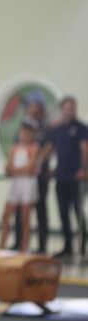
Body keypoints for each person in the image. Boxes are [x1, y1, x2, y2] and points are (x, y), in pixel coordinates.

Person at [43, 96, 88, 259]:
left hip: (77, 178)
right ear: (62, 109)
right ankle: (67, 246)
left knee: (78, 212)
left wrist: (83, 169)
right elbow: (49, 150)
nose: (71, 111)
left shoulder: (81, 128)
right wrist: (41, 166)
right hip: (61, 176)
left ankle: (81, 246)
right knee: (63, 212)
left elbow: (85, 149)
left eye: (73, 108)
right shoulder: (56, 130)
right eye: (68, 108)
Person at [12, 100, 51, 254]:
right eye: (32, 111)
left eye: (37, 111)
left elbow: (46, 150)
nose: (34, 114)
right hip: (22, 179)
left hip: (39, 177)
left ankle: (42, 246)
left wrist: (37, 162)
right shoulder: (21, 130)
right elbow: (16, 151)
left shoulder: (45, 130)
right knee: (20, 212)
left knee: (41, 211)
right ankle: (18, 242)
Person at [0, 121, 40, 253]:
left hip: (28, 183)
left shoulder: (34, 148)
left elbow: (30, 168)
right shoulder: (14, 148)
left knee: (25, 218)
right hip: (16, 183)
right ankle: (1, 246)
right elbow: (8, 168)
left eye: (28, 132)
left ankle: (23, 248)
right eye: (23, 132)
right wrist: (17, 170)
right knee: (6, 215)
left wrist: (14, 170)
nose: (24, 135)